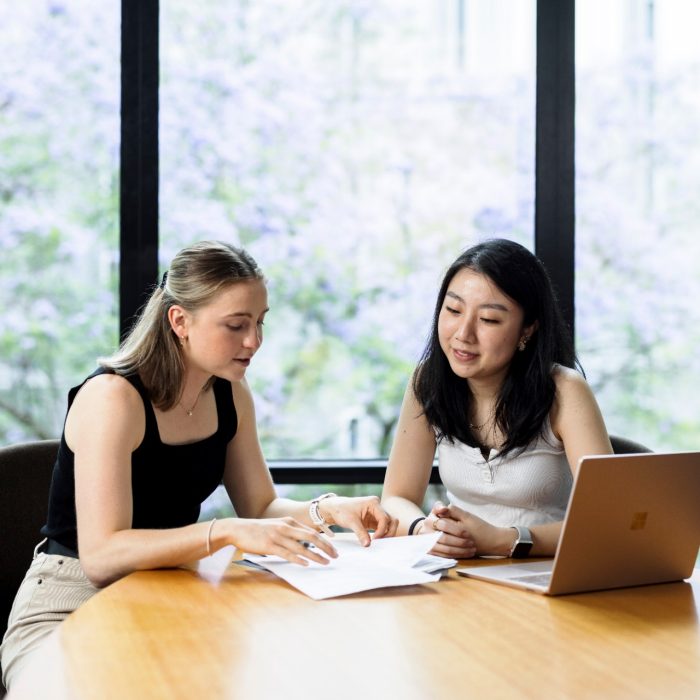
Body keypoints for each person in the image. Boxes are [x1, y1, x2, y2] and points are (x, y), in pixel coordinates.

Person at [1, 240, 397, 690]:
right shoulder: (113, 399)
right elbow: (102, 557)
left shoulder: (230, 393)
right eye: (235, 325)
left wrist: (327, 509)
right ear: (179, 321)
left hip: (169, 593)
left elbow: (261, 507)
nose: (254, 341)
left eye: (259, 323)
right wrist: (224, 532)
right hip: (73, 600)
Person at [381, 238, 611, 559]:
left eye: (488, 319)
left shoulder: (564, 390)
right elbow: (396, 497)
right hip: (464, 576)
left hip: (549, 574)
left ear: (527, 330)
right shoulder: (428, 382)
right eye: (453, 310)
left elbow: (606, 522)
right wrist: (423, 528)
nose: (463, 333)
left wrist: (503, 540)